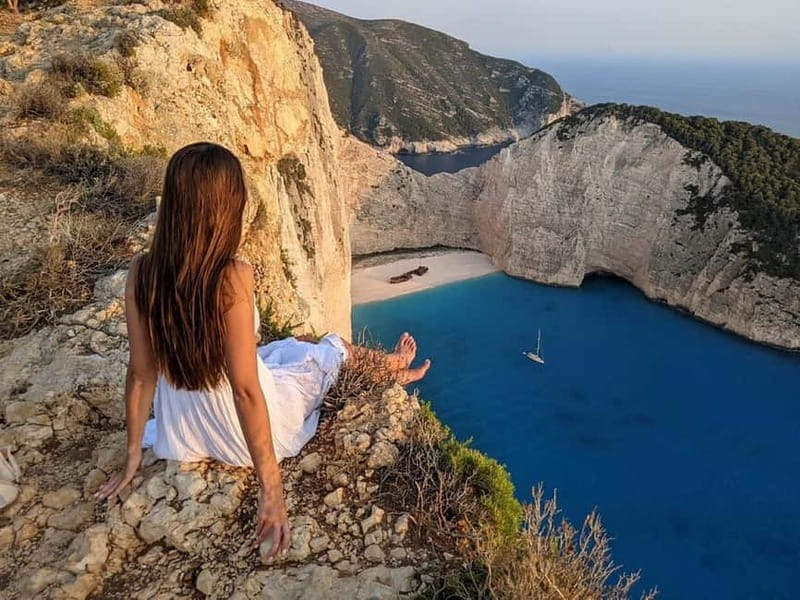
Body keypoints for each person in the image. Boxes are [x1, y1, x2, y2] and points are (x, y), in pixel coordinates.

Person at [94, 142, 431, 558]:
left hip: (181, 429)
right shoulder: (232, 276)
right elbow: (246, 391)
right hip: (239, 429)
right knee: (330, 348)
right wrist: (271, 490)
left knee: (293, 345)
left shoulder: (142, 271)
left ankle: (391, 366)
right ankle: (394, 367)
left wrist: (132, 455)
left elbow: (141, 374)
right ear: (227, 207)